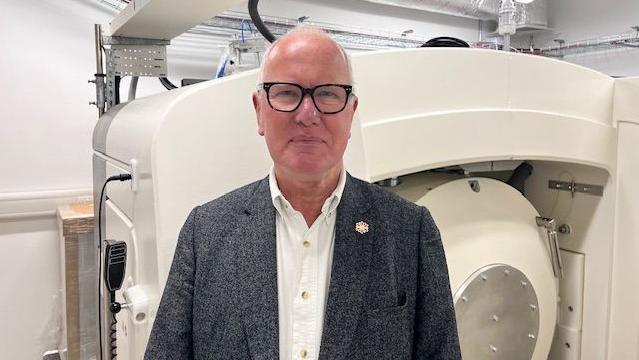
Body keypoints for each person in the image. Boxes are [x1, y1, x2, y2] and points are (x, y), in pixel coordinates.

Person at [145, 26, 461, 360]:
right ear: (259, 110)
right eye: (286, 93)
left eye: (327, 94)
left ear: (351, 112)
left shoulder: (410, 231)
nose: (307, 115)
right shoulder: (205, 233)